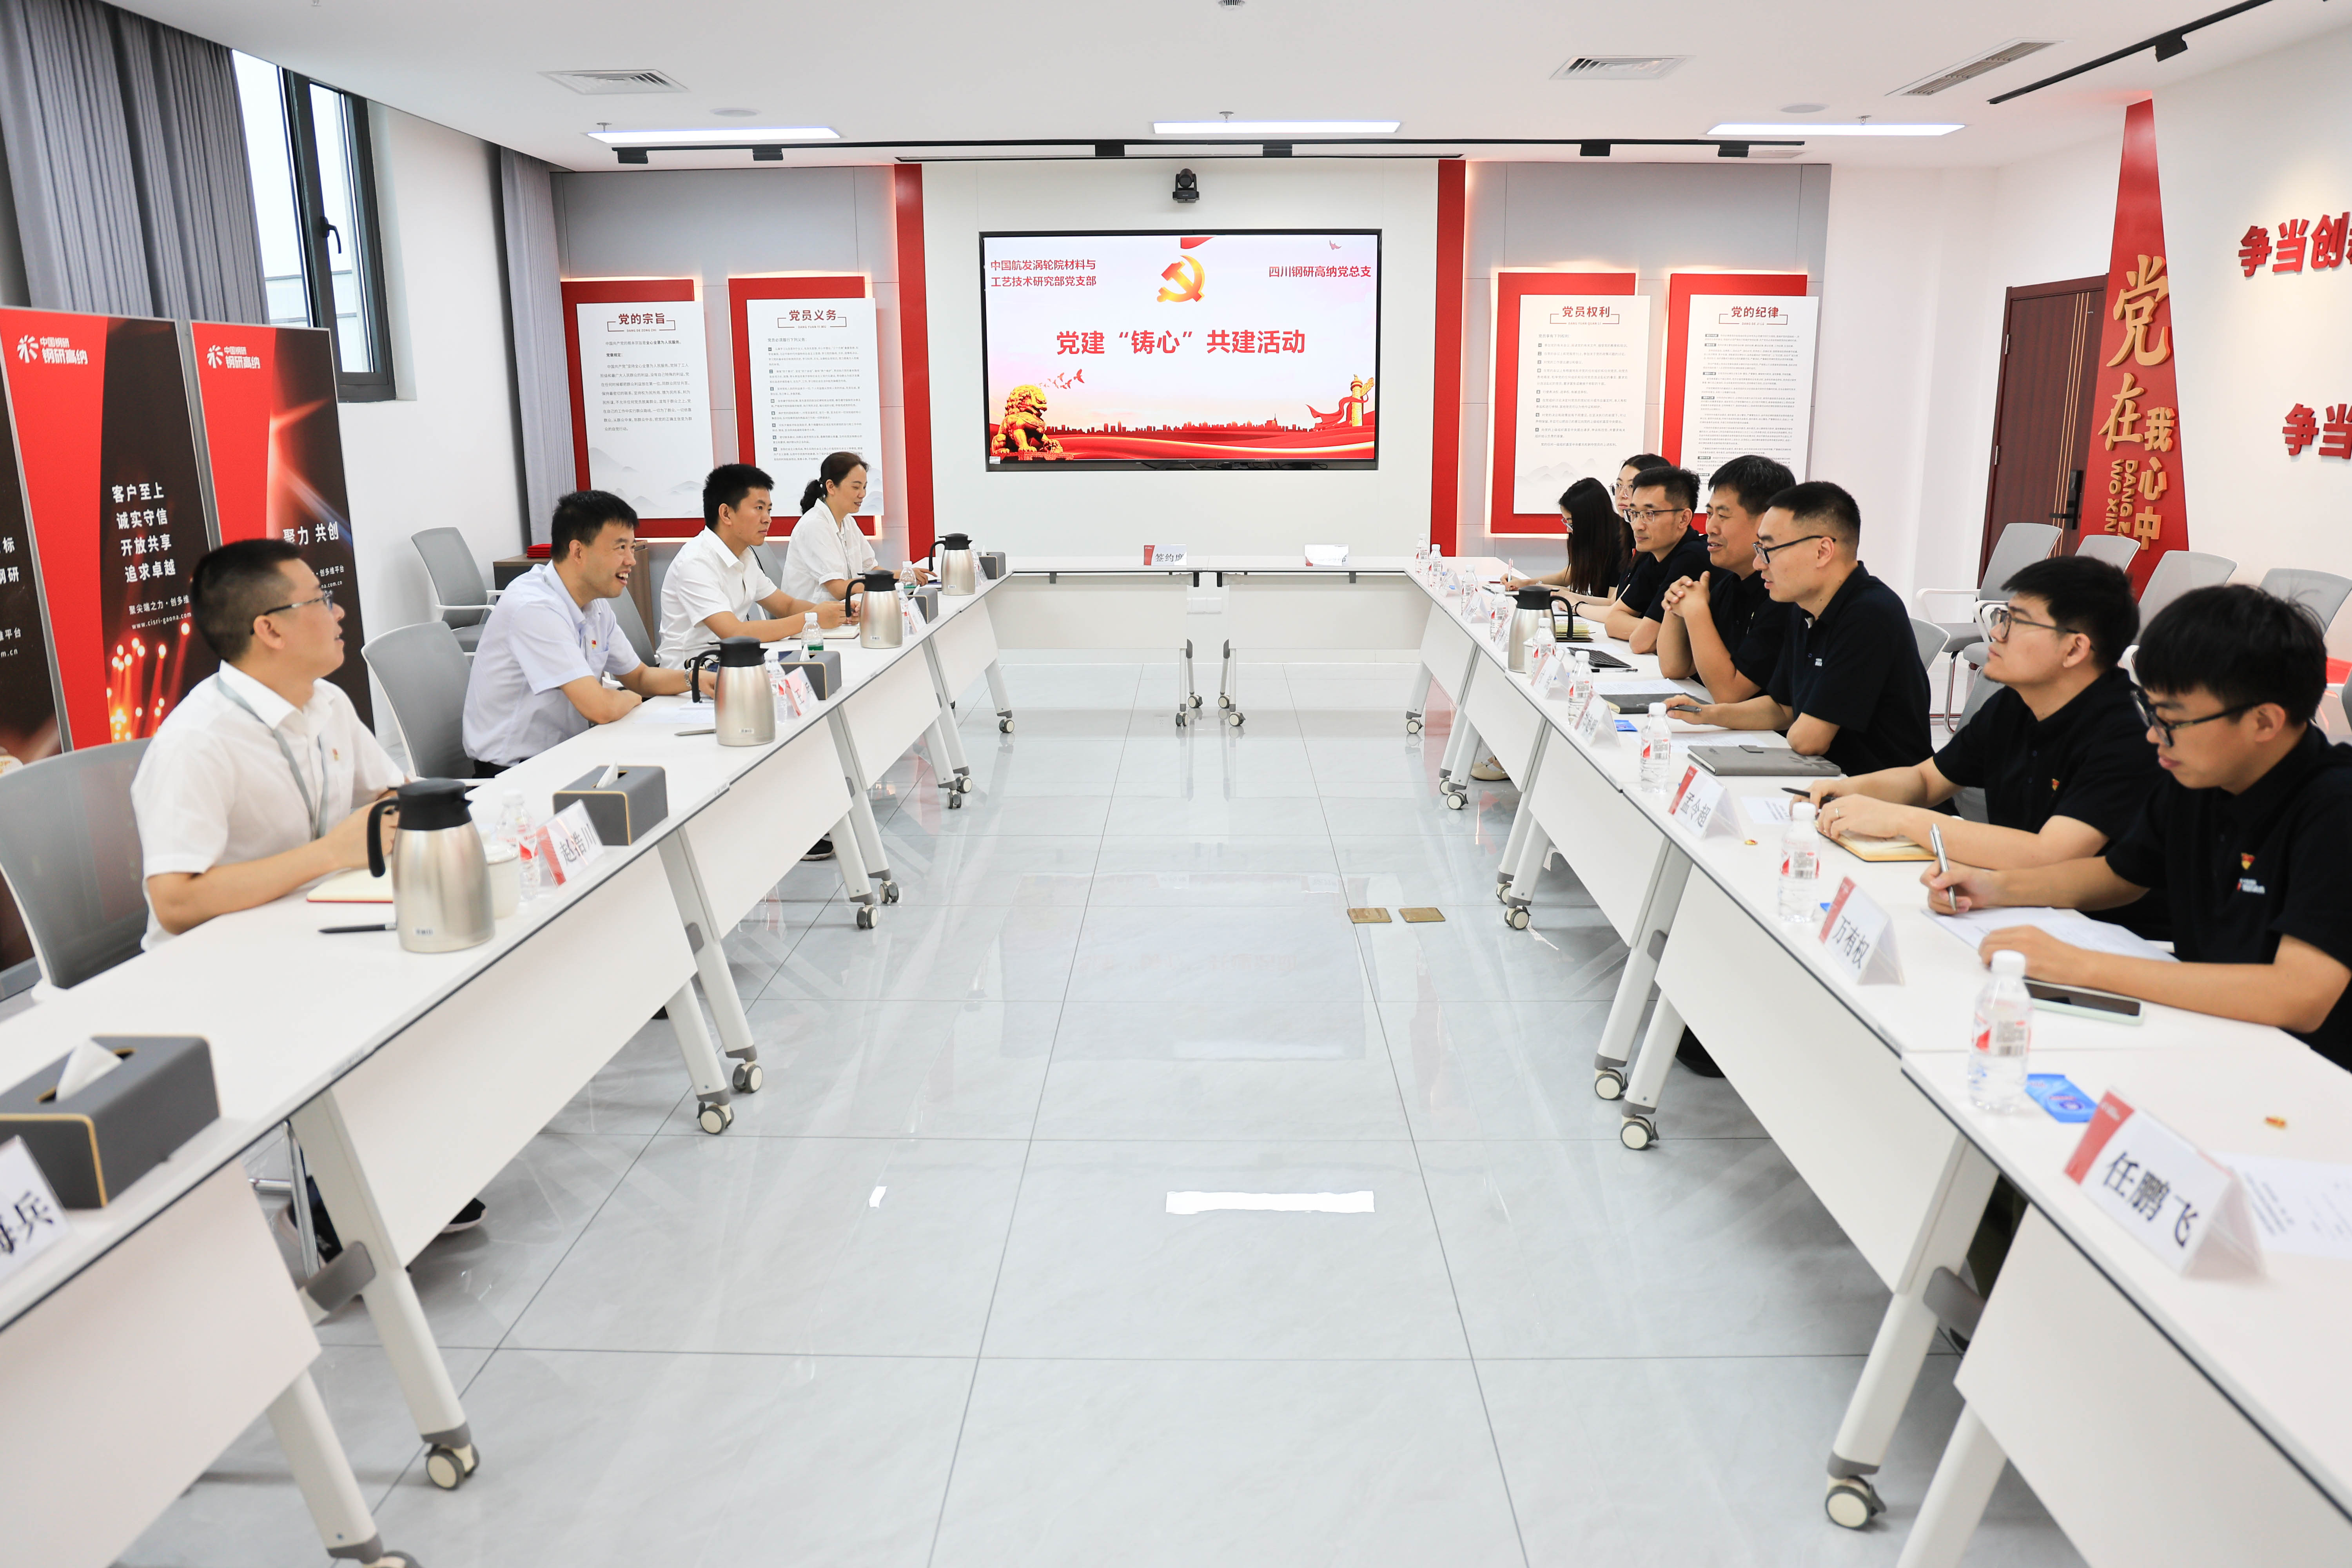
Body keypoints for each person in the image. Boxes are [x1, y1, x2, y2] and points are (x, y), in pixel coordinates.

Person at [132, 537, 483, 1245]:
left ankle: (401, 1158)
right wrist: (327, 854)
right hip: (216, 964)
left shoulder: (325, 701)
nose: (339, 611)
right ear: (270, 629)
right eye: (321, 600)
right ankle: (332, 1193)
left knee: (448, 968)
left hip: (311, 920)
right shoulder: (197, 742)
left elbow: (384, 792)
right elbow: (175, 902)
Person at [1927, 584, 2352, 1070]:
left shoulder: (2335, 807)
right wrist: (1994, 887)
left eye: (2171, 720)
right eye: (2151, 711)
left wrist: (2081, 965)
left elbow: (2298, 995)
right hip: (2206, 1035)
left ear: (2264, 722)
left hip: (2307, 1073)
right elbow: (2120, 875)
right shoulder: (2199, 775)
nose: (2153, 735)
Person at [1810, 556, 2160, 881]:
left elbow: (2049, 855)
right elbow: (1927, 781)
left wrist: (1902, 820)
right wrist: (1845, 791)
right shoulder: (2015, 703)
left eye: (2015, 622)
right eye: (2002, 617)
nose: (1996, 633)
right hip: (2018, 897)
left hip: (2093, 921)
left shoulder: (2129, 734)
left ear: (2074, 649)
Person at [1668, 481, 1932, 779]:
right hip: (1824, 778)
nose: (1759, 564)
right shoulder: (1804, 606)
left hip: (1881, 793)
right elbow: (1783, 709)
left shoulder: (1870, 613)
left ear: (1822, 551)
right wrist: (1705, 714)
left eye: (1769, 550)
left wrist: (1795, 728)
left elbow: (1808, 740)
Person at [464, 490, 710, 771]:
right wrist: (629, 698)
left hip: (568, 753)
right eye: (620, 548)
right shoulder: (534, 608)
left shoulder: (595, 603)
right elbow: (600, 709)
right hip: (515, 772)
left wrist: (697, 679)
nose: (631, 560)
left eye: (632, 548)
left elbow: (640, 676)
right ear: (578, 552)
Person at [657, 463, 847, 667]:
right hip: (693, 671)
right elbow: (734, 633)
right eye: (759, 509)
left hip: (732, 660)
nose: (768, 519)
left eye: (769, 510)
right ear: (726, 514)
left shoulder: (744, 556)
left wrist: (839, 612)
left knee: (824, 666)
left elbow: (786, 606)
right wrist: (813, 618)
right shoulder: (696, 562)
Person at [1651, 454, 1796, 702]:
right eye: (1710, 514)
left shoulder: (1784, 596)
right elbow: (1674, 668)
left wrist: (1696, 612)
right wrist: (1676, 608)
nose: (1710, 527)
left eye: (1723, 516)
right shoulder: (1729, 584)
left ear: (1767, 522)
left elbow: (1730, 693)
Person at [778, 451, 927, 604]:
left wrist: (904, 575)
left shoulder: (847, 521)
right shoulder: (813, 526)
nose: (862, 494)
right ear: (831, 487)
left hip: (842, 609)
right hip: (812, 615)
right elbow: (839, 589)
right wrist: (886, 584)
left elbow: (871, 569)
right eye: (856, 487)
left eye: (865, 487)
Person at [1550, 454, 1671, 622]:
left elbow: (1619, 615)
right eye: (1619, 486)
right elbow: (1615, 604)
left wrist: (1576, 605)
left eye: (1631, 487)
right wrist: (1560, 594)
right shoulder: (1632, 539)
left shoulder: (1673, 551)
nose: (1622, 495)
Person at [1604, 466, 1710, 652]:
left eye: (1649, 514)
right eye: (1634, 514)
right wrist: (1651, 631)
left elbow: (1642, 643)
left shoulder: (1693, 556)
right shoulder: (1655, 555)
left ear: (1684, 519)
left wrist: (1650, 632)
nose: (1637, 526)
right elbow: (1612, 621)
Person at [1501, 477, 1632, 597]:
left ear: (1590, 521)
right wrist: (1527, 583)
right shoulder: (1596, 537)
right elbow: (1567, 576)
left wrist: (1559, 593)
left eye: (1572, 524)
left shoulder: (1622, 543)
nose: (1568, 530)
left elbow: (1611, 604)